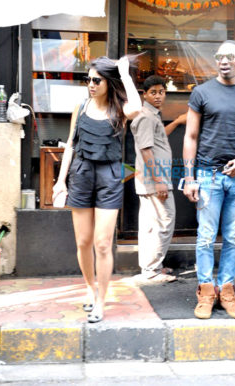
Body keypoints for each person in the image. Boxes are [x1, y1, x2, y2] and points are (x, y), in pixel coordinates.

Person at [183, 40, 235, 319]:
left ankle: (227, 290)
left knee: (232, 237)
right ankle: (207, 291)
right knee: (205, 237)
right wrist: (189, 177)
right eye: (219, 56)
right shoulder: (202, 92)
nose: (223, 60)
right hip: (207, 175)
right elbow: (190, 136)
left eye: (230, 56)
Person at [52, 56, 142, 323]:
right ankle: (90, 289)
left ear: (107, 83)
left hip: (109, 175)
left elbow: (136, 107)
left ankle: (102, 300)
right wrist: (60, 180)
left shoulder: (119, 110)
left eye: (96, 80)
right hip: (81, 174)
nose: (90, 84)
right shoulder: (80, 108)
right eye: (87, 79)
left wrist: (124, 73)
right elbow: (70, 144)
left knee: (103, 243)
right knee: (83, 242)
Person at [130, 75, 187, 283]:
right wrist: (160, 181)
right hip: (154, 181)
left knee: (151, 225)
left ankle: (152, 266)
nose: (157, 96)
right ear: (144, 94)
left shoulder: (151, 116)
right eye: (153, 92)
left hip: (151, 181)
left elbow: (159, 135)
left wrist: (179, 121)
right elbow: (146, 151)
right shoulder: (146, 116)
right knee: (164, 221)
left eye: (161, 92)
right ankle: (151, 270)